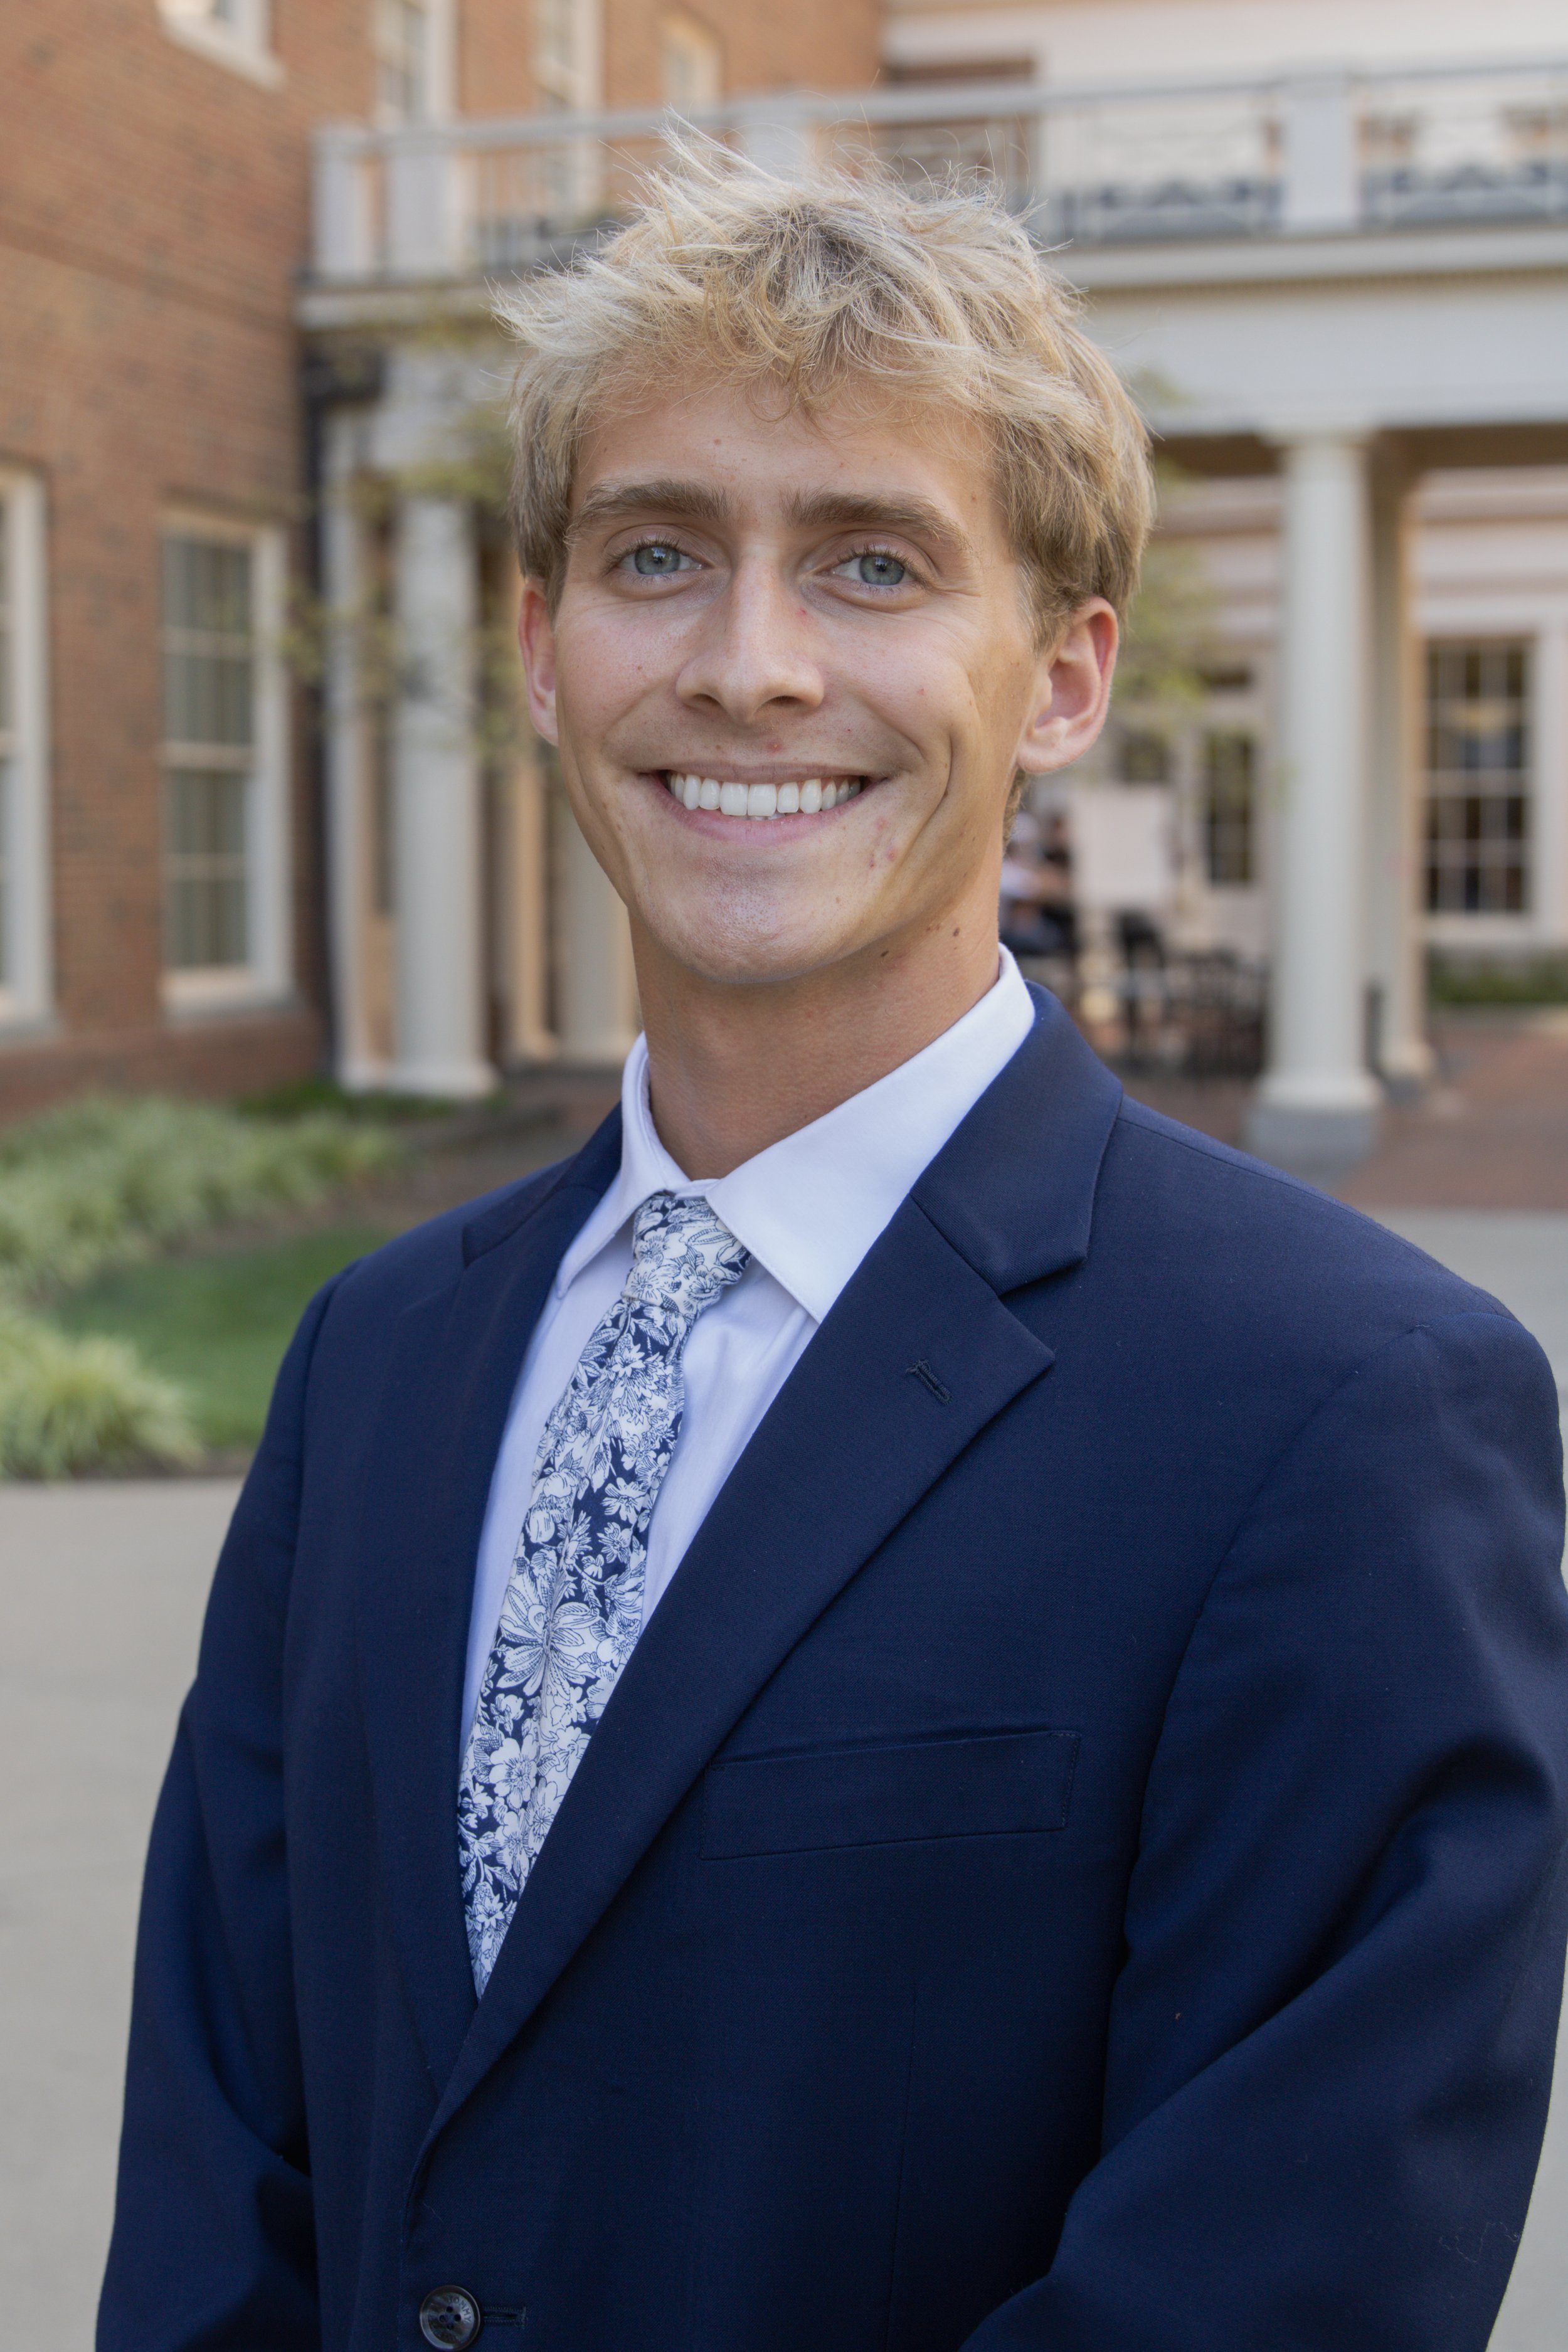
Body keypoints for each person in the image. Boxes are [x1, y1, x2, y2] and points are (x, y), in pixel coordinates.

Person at [100, 152, 1568, 2352]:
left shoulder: (1349, 1412)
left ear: (1062, 677)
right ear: (539, 646)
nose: (749, 667)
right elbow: (225, 2169)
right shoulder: (381, 1358)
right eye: (657, 556)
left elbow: (1274, 2282)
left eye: (872, 563)